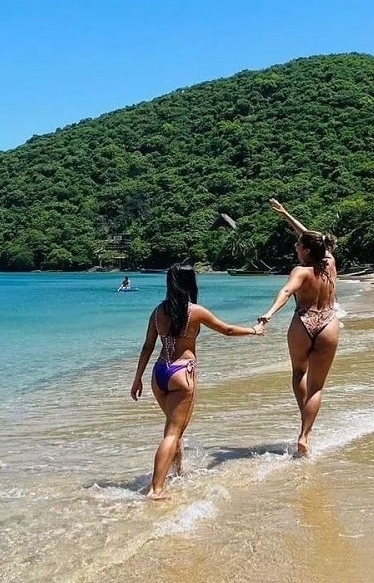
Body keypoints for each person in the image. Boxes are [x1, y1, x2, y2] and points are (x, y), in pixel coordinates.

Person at [130, 263, 266, 499]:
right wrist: (254, 330)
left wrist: (137, 379)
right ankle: (156, 489)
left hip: (160, 373)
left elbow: (147, 346)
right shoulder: (195, 311)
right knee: (172, 433)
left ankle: (178, 473)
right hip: (182, 373)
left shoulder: (158, 312)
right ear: (190, 283)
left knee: (173, 429)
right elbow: (227, 330)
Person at [258, 199, 339, 457]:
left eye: (298, 245)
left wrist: (269, 314)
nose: (295, 247)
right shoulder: (329, 262)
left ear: (305, 251)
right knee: (317, 386)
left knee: (298, 373)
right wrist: (286, 215)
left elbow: (286, 292)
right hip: (328, 323)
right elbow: (313, 238)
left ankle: (304, 415)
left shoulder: (301, 271)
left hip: (303, 323)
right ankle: (305, 435)